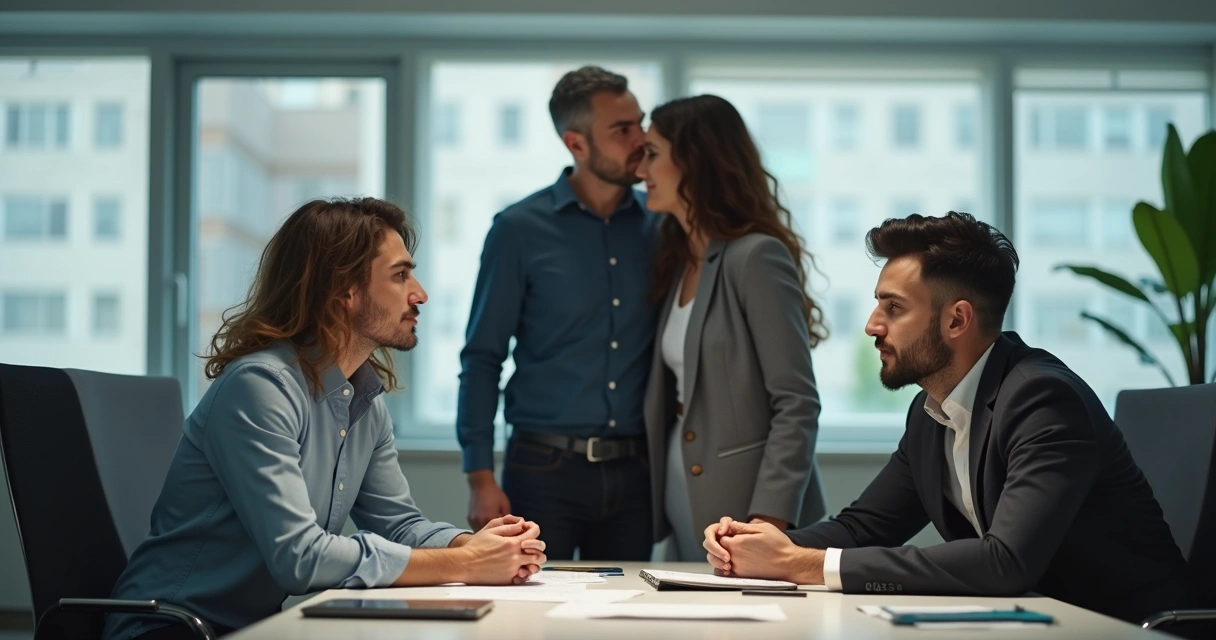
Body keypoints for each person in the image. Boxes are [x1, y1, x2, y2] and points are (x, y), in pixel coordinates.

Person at [702, 211, 1198, 625]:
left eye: (893, 308)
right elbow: (862, 528)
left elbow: (1005, 562)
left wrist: (800, 563)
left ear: (956, 319)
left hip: (1121, 629)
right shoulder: (931, 409)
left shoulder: (1043, 401)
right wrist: (757, 544)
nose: (873, 325)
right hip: (1037, 624)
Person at [105, 198, 547, 640]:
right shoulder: (260, 387)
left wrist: (477, 545)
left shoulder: (364, 399)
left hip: (253, 628)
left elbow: (400, 525)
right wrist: (467, 564)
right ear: (344, 290)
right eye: (400, 275)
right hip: (169, 628)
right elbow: (301, 558)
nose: (420, 293)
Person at [458, 66, 659, 560]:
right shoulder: (517, 230)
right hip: (543, 470)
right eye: (622, 130)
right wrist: (480, 478)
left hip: (637, 470)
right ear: (576, 143)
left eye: (640, 122)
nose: (642, 139)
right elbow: (483, 357)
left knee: (629, 616)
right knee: (531, 615)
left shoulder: (662, 225)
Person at [635, 94, 828, 561]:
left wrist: (769, 519)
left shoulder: (756, 256)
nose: (641, 171)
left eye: (653, 154)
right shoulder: (681, 261)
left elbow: (797, 402)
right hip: (680, 485)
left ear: (695, 161)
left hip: (749, 505)